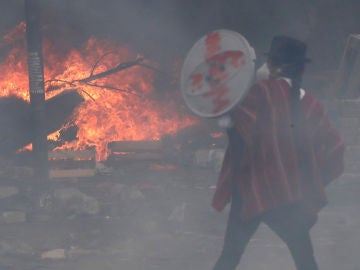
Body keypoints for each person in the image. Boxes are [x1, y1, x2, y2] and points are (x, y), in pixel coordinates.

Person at [212, 35, 345, 270]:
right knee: (305, 260)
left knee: (229, 257)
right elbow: (335, 144)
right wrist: (313, 180)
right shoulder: (311, 102)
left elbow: (235, 127)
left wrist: (222, 107)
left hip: (251, 190)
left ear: (275, 65)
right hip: (287, 193)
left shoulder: (261, 91)